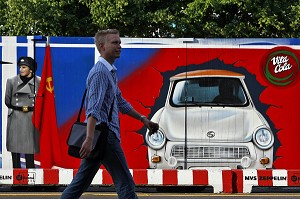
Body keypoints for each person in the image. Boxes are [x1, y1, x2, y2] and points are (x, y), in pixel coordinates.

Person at [60, 29, 159, 199]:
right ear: (102, 47)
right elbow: (93, 109)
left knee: (79, 184)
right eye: (114, 43)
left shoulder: (110, 71)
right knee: (126, 184)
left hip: (100, 137)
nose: (119, 46)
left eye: (119, 42)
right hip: (104, 136)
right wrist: (89, 138)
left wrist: (143, 119)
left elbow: (120, 101)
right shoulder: (100, 72)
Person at [5, 56, 40, 168]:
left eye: (24, 67)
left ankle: (31, 180)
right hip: (16, 118)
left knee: (30, 151)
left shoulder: (39, 81)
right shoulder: (11, 81)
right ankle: (17, 181)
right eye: (20, 67)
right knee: (15, 151)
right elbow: (7, 101)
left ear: (31, 69)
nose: (21, 69)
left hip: (31, 118)